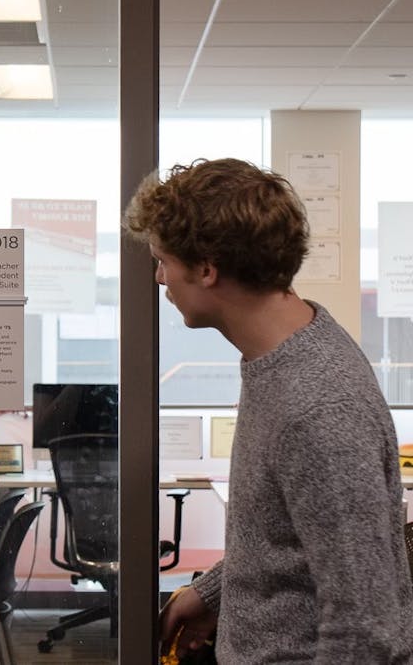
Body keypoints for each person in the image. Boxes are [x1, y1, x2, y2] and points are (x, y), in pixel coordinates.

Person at [124, 157, 413, 662]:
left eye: (163, 261)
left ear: (207, 269)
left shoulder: (318, 405)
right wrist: (212, 592)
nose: (159, 277)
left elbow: (367, 628)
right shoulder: (285, 354)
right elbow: (288, 540)